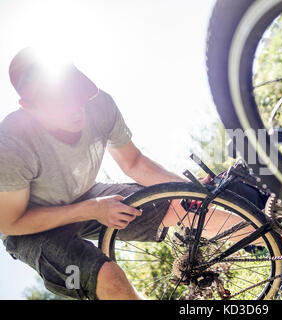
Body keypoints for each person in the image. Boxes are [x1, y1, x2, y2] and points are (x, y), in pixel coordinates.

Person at [0, 46, 244, 300]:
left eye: (75, 94)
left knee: (180, 204)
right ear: (28, 107)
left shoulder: (99, 105)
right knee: (108, 277)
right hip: (30, 226)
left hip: (85, 195)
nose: (75, 108)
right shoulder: (12, 144)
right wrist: (91, 209)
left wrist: (186, 187)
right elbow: (10, 222)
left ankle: (279, 244)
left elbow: (134, 162)